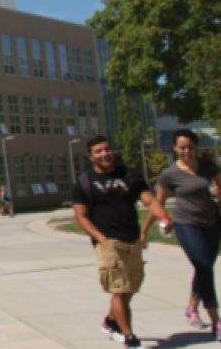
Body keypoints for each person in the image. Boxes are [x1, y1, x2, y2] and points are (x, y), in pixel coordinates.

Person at [73, 136, 167, 349]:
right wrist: (101, 239)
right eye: (98, 151)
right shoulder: (85, 182)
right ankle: (129, 337)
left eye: (106, 149)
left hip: (132, 240)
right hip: (109, 243)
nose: (104, 154)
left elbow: (150, 200)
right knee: (120, 289)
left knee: (129, 289)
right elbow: (82, 217)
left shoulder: (130, 175)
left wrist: (164, 217)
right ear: (91, 156)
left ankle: (110, 321)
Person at [155, 129, 221, 341]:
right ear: (175, 148)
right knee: (204, 267)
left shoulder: (208, 166)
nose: (187, 151)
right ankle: (217, 322)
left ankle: (191, 309)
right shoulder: (169, 174)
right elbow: (158, 203)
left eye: (190, 147)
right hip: (186, 224)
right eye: (182, 147)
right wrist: (158, 223)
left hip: (211, 224)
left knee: (205, 268)